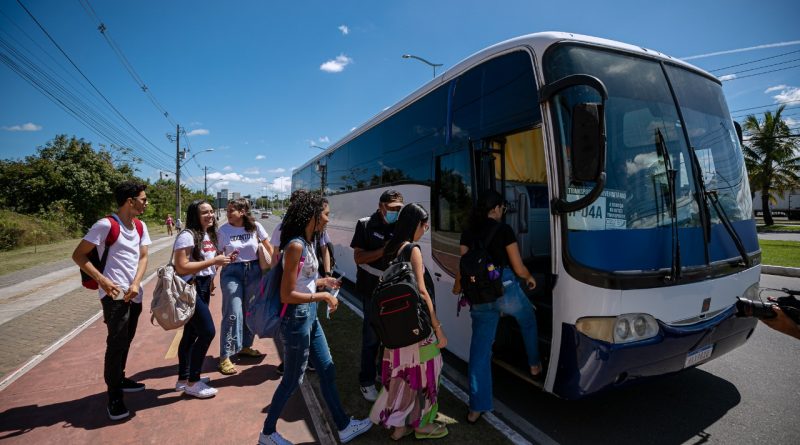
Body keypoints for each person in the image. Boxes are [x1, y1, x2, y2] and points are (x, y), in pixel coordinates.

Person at [259, 192, 372, 445]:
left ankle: (343, 426)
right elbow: (287, 294)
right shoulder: (296, 245)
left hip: (309, 317)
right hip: (296, 320)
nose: (328, 220)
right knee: (292, 380)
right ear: (312, 215)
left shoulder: (310, 242)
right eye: (326, 214)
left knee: (327, 369)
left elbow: (305, 281)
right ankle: (267, 434)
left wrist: (324, 282)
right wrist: (323, 298)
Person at [454, 190, 542, 425]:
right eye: (502, 207)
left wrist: (458, 288)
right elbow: (518, 266)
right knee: (528, 319)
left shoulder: (467, 233)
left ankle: (476, 408)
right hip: (505, 291)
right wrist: (530, 278)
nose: (503, 211)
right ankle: (534, 364)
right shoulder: (504, 230)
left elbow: (464, 268)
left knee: (480, 354)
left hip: (480, 297)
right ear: (495, 208)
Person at [72, 181, 152, 420]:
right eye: (143, 199)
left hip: (134, 293)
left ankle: (121, 377)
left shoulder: (140, 226)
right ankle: (114, 396)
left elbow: (144, 256)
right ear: (130, 201)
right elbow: (78, 255)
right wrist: (103, 281)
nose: (146, 203)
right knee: (116, 343)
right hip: (113, 295)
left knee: (127, 339)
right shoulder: (105, 225)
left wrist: (137, 283)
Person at [368, 203, 449, 440]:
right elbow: (422, 293)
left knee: (402, 376)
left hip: (395, 331)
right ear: (415, 224)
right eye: (424, 225)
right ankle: (421, 424)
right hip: (416, 331)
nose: (425, 229)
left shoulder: (391, 248)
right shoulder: (412, 250)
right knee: (428, 373)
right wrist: (438, 328)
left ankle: (399, 426)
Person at [172, 200, 231, 398]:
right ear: (194, 215)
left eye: (212, 212)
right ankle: (193, 381)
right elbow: (181, 266)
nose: (210, 215)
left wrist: (213, 269)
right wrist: (214, 261)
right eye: (204, 212)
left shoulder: (207, 234)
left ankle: (183, 379)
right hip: (191, 288)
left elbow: (204, 263)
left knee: (190, 333)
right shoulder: (187, 235)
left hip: (203, 285)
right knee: (207, 332)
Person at [350, 189, 404, 402]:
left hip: (394, 289)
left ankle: (385, 375)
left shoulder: (401, 225)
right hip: (371, 290)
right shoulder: (365, 224)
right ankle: (366, 381)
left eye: (399, 209)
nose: (395, 213)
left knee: (391, 338)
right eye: (392, 209)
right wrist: (384, 250)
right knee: (371, 338)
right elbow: (358, 257)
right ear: (381, 206)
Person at [216, 198, 274, 375]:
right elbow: (218, 254)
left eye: (231, 210)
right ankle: (225, 356)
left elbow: (268, 248)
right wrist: (211, 277)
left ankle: (245, 346)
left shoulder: (255, 227)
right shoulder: (223, 230)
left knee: (250, 311)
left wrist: (274, 271)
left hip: (255, 271)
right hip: (231, 272)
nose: (227, 213)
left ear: (242, 212)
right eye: (227, 210)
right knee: (233, 312)